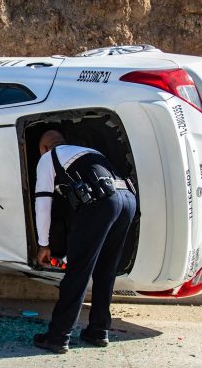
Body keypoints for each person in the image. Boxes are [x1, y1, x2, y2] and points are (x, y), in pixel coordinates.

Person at [32, 129, 137, 354]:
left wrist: (44, 244)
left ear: (44, 148)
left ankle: (58, 336)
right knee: (105, 271)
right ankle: (98, 331)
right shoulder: (88, 152)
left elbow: (43, 202)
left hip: (103, 202)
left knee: (78, 271)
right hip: (127, 201)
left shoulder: (48, 157)